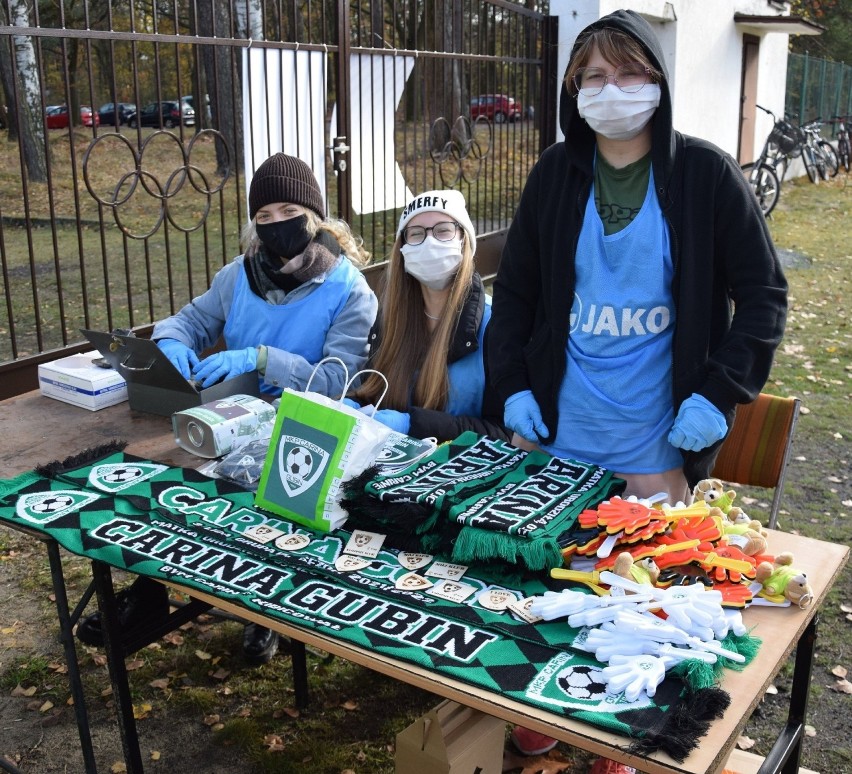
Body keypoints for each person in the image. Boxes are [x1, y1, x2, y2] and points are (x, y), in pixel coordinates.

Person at [488, 10, 787, 767]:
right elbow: (515, 296)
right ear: (573, 90)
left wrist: (718, 394)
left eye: (629, 74)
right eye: (593, 76)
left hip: (656, 439)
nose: (611, 89)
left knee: (643, 599)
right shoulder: (556, 176)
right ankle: (544, 708)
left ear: (658, 84)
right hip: (559, 433)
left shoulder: (705, 176)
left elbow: (762, 296)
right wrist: (513, 387)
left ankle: (623, 731)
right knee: (553, 586)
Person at [75, 153, 378, 666]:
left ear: (314, 217)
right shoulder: (237, 276)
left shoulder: (351, 290)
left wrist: (262, 358)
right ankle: (149, 594)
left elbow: (339, 381)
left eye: (288, 210)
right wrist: (172, 342)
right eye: (263, 216)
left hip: (302, 429)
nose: (276, 224)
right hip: (229, 417)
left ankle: (268, 613)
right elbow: (187, 321)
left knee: (270, 506)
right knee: (158, 482)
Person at [349, 188, 508, 443]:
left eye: (443, 230)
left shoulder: (495, 326)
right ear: (402, 247)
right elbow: (374, 392)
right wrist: (352, 404)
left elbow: (504, 433)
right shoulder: (390, 320)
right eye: (417, 234)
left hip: (459, 473)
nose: (430, 242)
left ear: (463, 240)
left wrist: (413, 424)